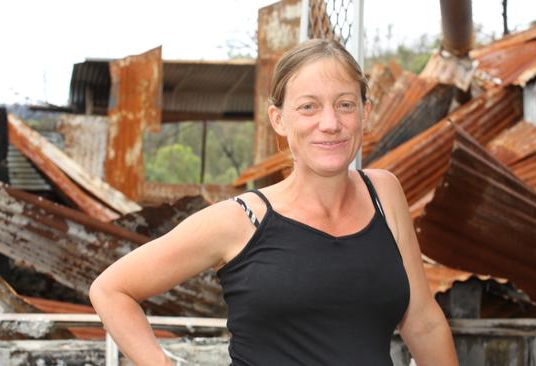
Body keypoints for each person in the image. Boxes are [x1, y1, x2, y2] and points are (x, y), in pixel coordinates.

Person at [90, 38, 458, 366]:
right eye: (308, 107)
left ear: (366, 111)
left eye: (345, 104)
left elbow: (423, 322)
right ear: (278, 120)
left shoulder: (384, 195)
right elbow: (111, 290)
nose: (330, 123)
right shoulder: (239, 220)